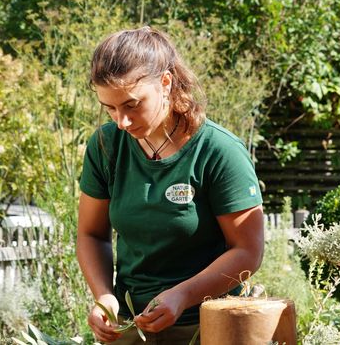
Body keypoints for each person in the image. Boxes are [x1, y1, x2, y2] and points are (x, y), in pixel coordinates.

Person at [76, 26, 264, 344]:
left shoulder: (219, 151)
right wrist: (104, 297)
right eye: (109, 108)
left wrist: (182, 296)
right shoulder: (106, 145)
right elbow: (91, 235)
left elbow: (248, 251)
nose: (121, 121)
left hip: (210, 323)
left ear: (165, 82)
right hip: (133, 325)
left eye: (132, 105)